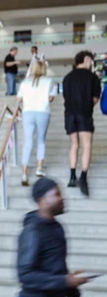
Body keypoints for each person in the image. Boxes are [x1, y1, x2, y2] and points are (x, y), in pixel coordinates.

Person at [63, 51, 101, 196]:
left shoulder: (67, 78)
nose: (91, 63)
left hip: (69, 115)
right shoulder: (92, 77)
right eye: (91, 60)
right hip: (84, 113)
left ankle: (72, 177)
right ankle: (83, 178)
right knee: (87, 145)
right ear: (86, 59)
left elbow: (66, 97)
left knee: (74, 144)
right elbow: (95, 99)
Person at [17, 60, 57, 185]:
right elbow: (50, 98)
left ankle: (24, 173)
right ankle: (39, 168)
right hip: (43, 112)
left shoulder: (25, 82)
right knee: (41, 140)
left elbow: (19, 98)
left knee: (27, 141)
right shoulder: (49, 82)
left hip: (27, 112)